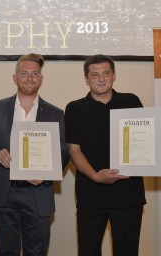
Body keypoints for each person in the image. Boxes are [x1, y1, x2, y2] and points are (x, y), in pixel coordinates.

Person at [0, 53, 69, 256]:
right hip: (4, 193)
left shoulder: (56, 113)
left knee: (37, 252)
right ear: (15, 78)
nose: (30, 78)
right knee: (6, 251)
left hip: (39, 193)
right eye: (24, 73)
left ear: (41, 79)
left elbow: (63, 152)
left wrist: (46, 172)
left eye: (35, 73)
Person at [65, 54, 146, 256]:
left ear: (114, 75)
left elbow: (144, 141)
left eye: (106, 73)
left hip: (129, 195)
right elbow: (74, 150)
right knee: (88, 252)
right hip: (90, 196)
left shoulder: (132, 101)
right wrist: (95, 176)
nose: (101, 79)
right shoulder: (74, 108)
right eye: (95, 74)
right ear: (86, 78)